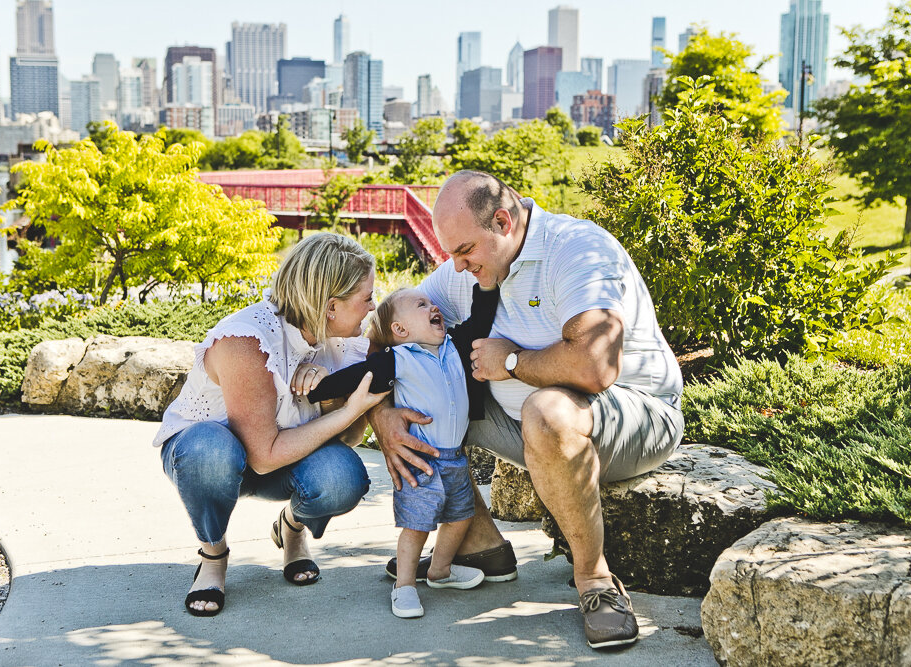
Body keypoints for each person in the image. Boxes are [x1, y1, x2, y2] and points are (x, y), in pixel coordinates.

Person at [372, 170, 684, 648]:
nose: (456, 268)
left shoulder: (577, 249)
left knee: (546, 411)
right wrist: (383, 415)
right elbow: (387, 330)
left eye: (464, 252)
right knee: (434, 404)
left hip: (633, 419)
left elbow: (596, 366)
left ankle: (595, 582)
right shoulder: (472, 270)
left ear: (502, 222)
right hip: (522, 428)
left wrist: (512, 361)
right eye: (451, 254)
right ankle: (480, 545)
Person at [153, 233, 390, 617]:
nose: (372, 306)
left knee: (343, 477)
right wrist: (348, 410)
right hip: (211, 460)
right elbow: (262, 458)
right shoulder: (246, 340)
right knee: (209, 449)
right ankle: (213, 553)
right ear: (331, 307)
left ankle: (292, 529)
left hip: (280, 460)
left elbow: (347, 439)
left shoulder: (341, 343)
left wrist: (330, 397)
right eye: (366, 298)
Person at [307, 283, 499, 618]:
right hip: (419, 459)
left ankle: (440, 571)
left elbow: (482, 316)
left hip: (454, 458)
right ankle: (405, 586)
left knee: (461, 517)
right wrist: (316, 388)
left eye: (432, 303)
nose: (433, 307)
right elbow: (356, 377)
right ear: (400, 329)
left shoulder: (457, 345)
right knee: (417, 525)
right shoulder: (398, 360)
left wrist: (487, 285)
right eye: (422, 305)